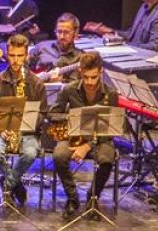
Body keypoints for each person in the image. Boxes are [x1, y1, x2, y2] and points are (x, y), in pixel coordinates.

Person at [0, 34, 46, 208]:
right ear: (7, 55)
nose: (16, 60)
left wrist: (24, 127)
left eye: (20, 56)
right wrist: (0, 130)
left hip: (27, 133)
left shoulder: (37, 83)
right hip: (1, 132)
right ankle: (17, 185)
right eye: (12, 55)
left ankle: (8, 184)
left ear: (26, 56)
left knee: (31, 153)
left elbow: (43, 113)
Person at [49, 52, 118, 217]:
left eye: (94, 77)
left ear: (101, 72)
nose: (89, 82)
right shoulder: (69, 90)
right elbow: (53, 114)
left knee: (106, 160)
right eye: (86, 77)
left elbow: (111, 130)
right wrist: (73, 119)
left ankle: (92, 197)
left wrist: (87, 146)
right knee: (59, 156)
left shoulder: (111, 93)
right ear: (80, 72)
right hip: (73, 136)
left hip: (100, 139)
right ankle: (72, 198)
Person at [30, 13, 84, 84]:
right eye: (59, 32)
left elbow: (76, 86)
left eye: (66, 32)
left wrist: (61, 81)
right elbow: (23, 67)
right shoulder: (42, 47)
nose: (62, 36)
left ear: (76, 32)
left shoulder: (80, 57)